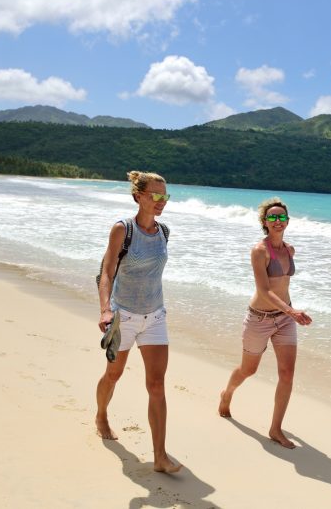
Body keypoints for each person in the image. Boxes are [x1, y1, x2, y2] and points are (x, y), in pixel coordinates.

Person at [95, 170, 181, 474]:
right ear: (138, 196)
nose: (161, 201)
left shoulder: (164, 231)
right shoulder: (123, 229)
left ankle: (160, 456)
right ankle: (101, 414)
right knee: (113, 375)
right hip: (123, 316)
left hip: (155, 316)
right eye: (155, 195)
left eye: (164, 196)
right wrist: (106, 309)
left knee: (156, 385)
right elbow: (107, 271)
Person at [218, 197, 312, 449]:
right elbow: (264, 290)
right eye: (273, 217)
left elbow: (283, 287)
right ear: (264, 222)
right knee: (248, 370)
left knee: (287, 373)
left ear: (288, 221)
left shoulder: (290, 250)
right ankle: (227, 393)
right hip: (259, 319)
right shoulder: (259, 251)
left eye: (282, 217)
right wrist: (292, 311)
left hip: (284, 320)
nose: (278, 221)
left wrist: (290, 314)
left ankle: (275, 428)